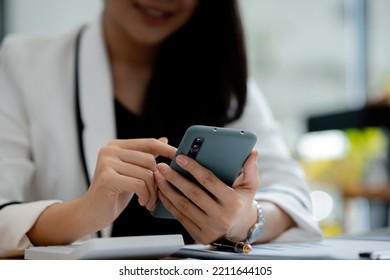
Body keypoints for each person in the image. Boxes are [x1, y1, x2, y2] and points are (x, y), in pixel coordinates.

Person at [0, 0, 322, 258]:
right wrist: (83, 213)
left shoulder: (222, 74)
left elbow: (293, 196)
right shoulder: (24, 64)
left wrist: (244, 221)